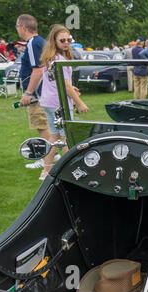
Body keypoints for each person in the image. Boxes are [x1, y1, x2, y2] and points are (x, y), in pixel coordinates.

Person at [38, 25, 89, 181]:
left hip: (48, 102)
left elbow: (57, 82)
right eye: (62, 40)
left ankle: (46, 171)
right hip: (58, 104)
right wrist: (80, 103)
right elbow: (65, 85)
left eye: (69, 39)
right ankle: (74, 168)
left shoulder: (50, 58)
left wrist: (70, 88)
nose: (66, 43)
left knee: (56, 137)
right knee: (66, 137)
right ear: (54, 41)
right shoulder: (60, 60)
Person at [16, 14, 51, 169]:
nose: (17, 30)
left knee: (42, 126)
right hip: (44, 93)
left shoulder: (32, 43)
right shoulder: (41, 42)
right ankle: (50, 155)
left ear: (23, 27)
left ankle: (46, 158)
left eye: (17, 27)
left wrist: (28, 93)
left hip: (38, 94)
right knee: (45, 126)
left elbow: (37, 70)